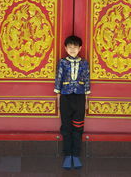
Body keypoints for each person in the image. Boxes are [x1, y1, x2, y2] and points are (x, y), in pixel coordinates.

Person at [54, 35, 91, 170]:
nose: (72, 49)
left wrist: (86, 101)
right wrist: (58, 99)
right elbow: (58, 79)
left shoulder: (84, 63)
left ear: (80, 48)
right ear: (65, 48)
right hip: (65, 97)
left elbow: (87, 80)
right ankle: (67, 154)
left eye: (75, 47)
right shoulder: (62, 62)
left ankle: (76, 154)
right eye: (70, 47)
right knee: (66, 127)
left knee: (78, 127)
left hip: (80, 97)